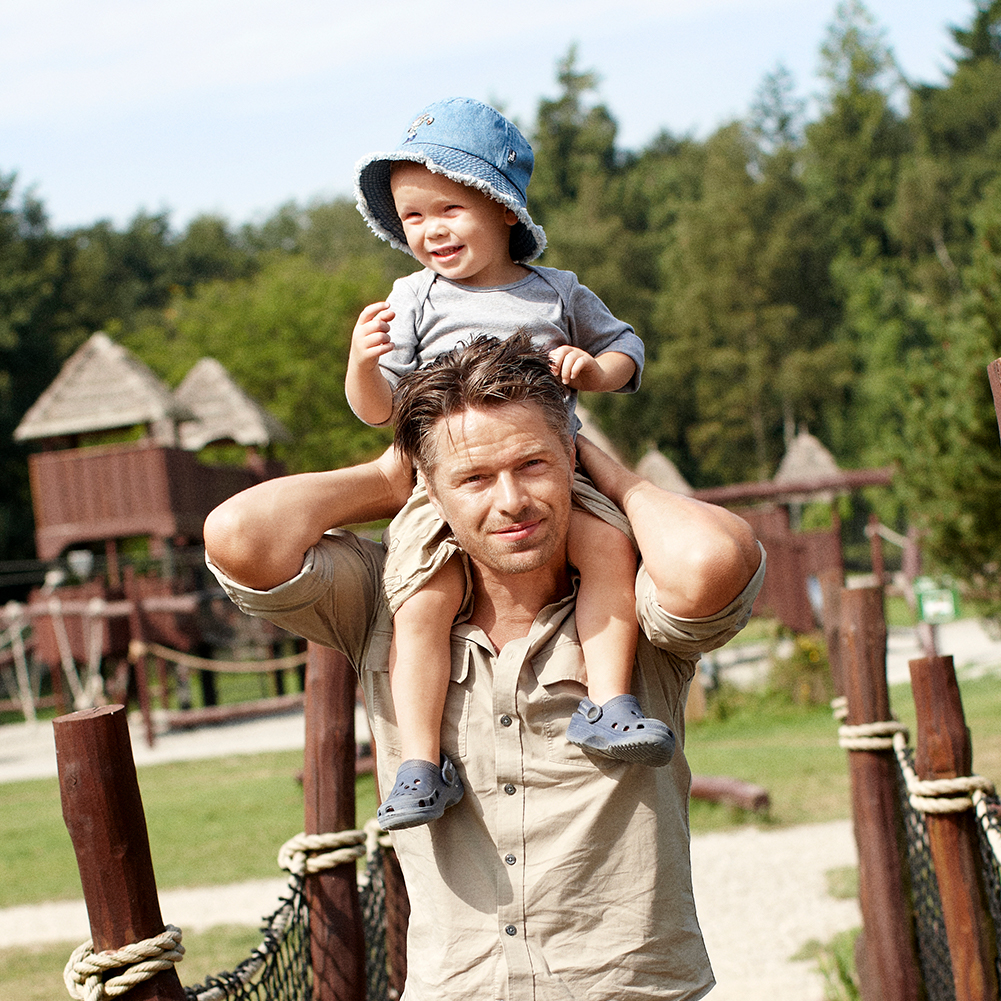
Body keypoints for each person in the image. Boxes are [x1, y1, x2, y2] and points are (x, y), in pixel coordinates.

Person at [204, 334, 765, 1001]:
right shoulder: (384, 600)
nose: (511, 501)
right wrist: (389, 476)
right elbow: (240, 536)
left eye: (532, 463)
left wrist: (620, 480)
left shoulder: (637, 603)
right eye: (472, 477)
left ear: (570, 459)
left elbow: (713, 558)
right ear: (430, 492)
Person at [346, 96, 667, 830]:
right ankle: (418, 763)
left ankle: (608, 701)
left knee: (609, 547)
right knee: (421, 598)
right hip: (445, 484)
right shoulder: (415, 298)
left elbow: (628, 350)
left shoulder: (556, 290)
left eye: (448, 209)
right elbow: (373, 409)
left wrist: (592, 370)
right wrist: (363, 366)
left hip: (552, 474)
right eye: (413, 216)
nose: (429, 231)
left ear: (501, 210)